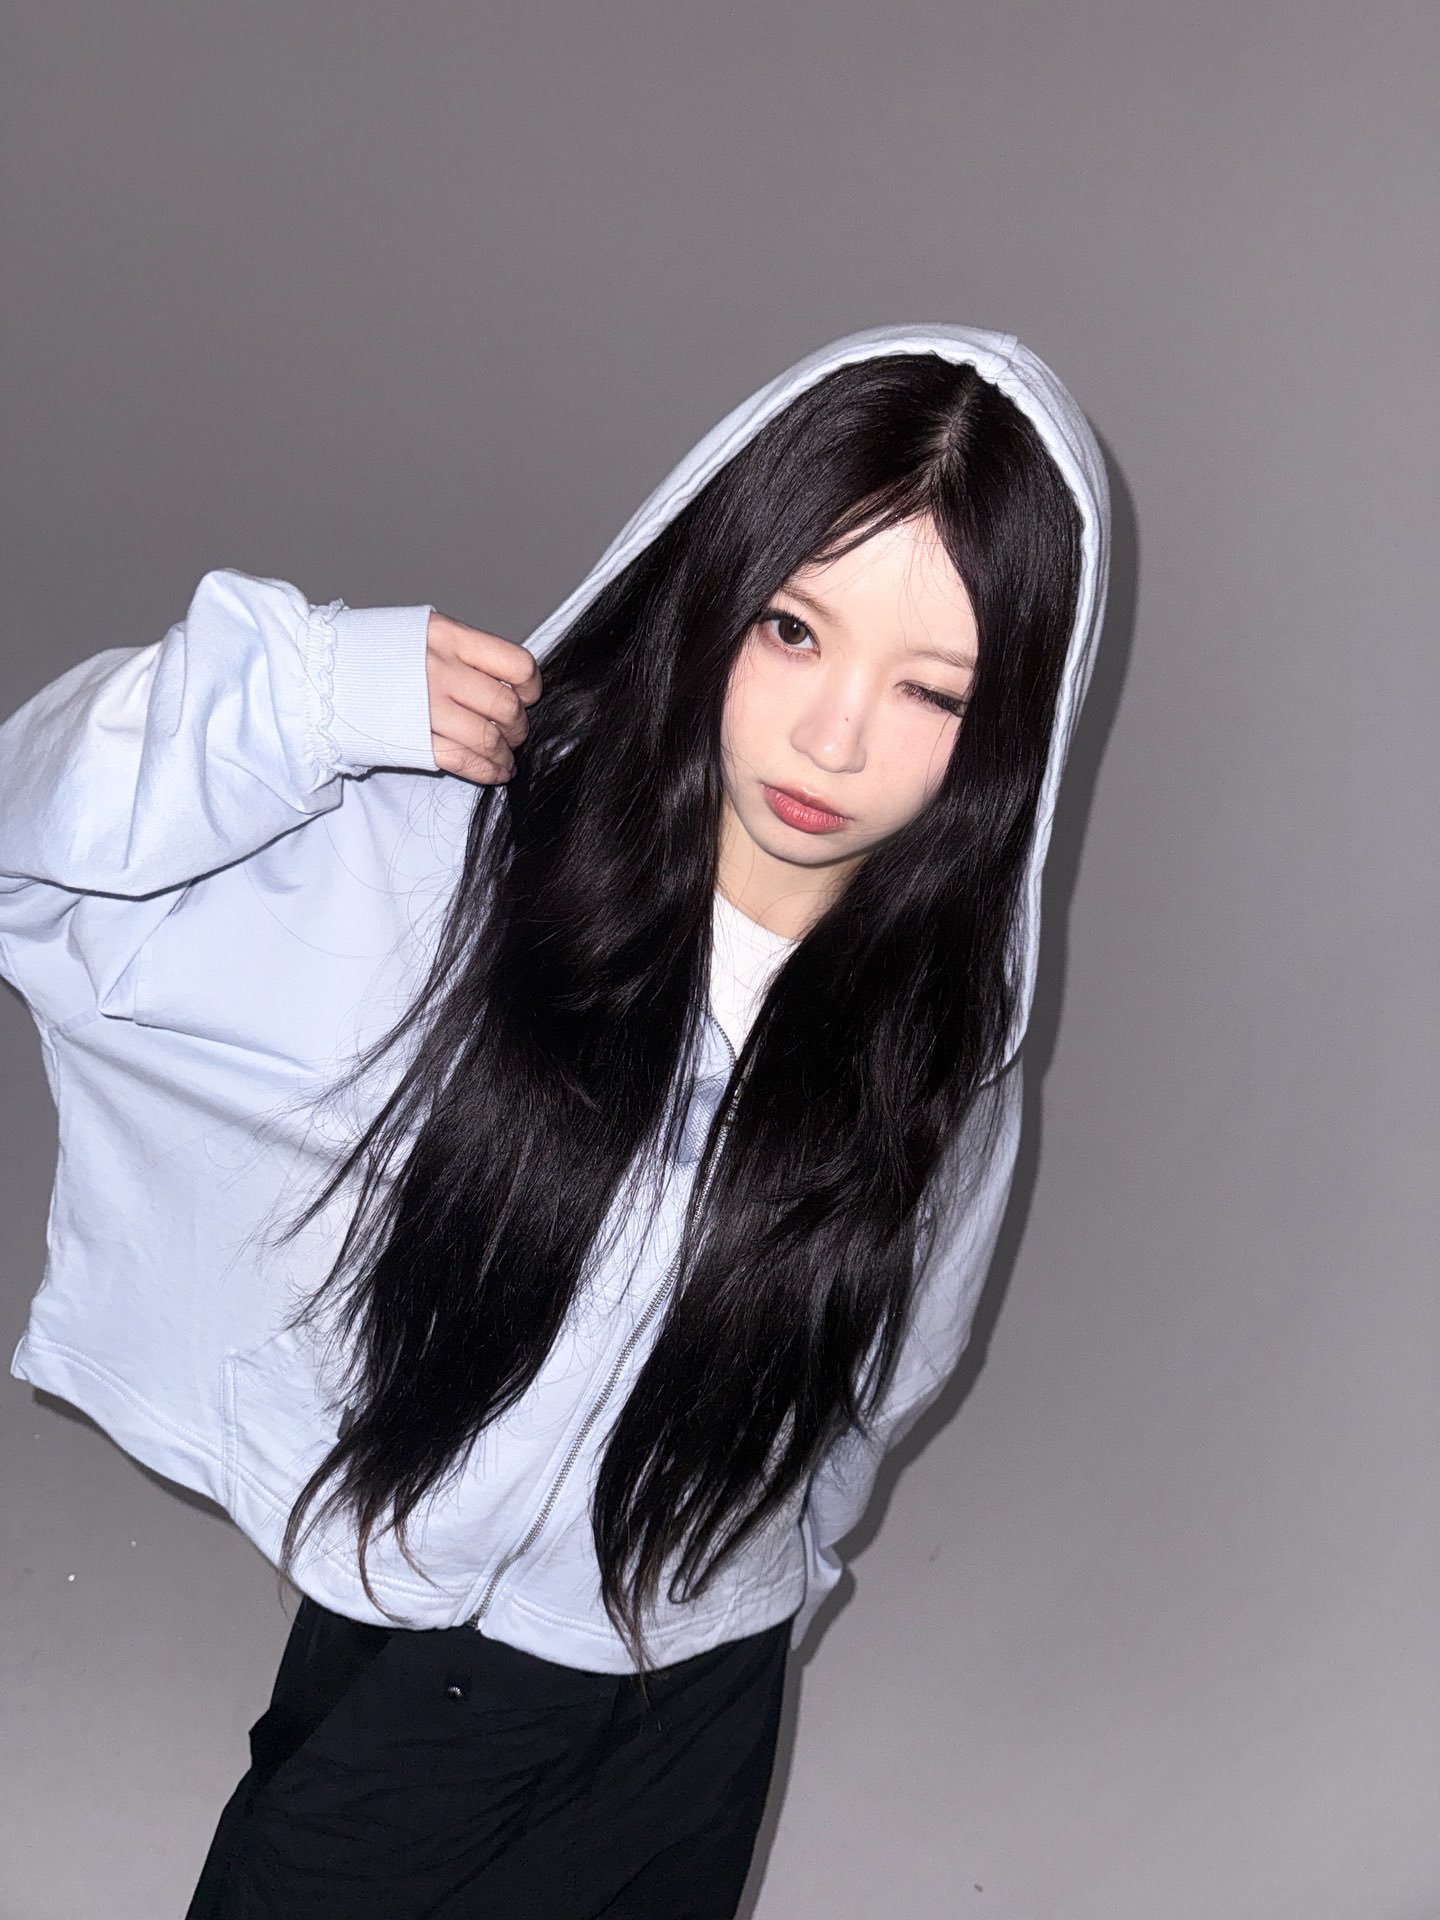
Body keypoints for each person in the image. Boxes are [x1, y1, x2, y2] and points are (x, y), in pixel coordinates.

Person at [0, 324, 1110, 1917]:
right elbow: (33, 849)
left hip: (697, 1694)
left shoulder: (939, 1047)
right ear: (713, 586)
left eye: (933, 689)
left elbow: (881, 1385)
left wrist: (759, 1589)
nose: (836, 738)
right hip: (420, 1644)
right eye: (794, 629)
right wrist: (298, 699)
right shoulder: (464, 866)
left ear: (1009, 734)